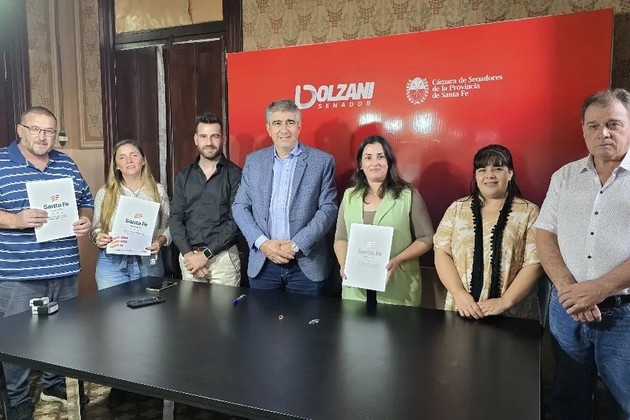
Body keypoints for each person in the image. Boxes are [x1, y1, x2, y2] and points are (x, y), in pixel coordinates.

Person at [535, 88, 630, 419]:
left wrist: (599, 288)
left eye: (613, 124)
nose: (603, 133)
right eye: (593, 125)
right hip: (566, 310)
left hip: (623, 315)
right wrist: (568, 289)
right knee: (567, 399)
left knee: (624, 404)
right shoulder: (564, 176)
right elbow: (545, 233)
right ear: (583, 130)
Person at [0, 106, 93, 420]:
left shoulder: (65, 162)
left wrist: (85, 219)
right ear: (20, 130)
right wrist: (14, 220)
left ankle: (54, 386)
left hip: (64, 269)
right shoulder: (1, 163)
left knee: (63, 334)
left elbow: (86, 200)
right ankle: (17, 401)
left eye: (50, 131)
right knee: (16, 341)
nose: (43, 136)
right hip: (19, 274)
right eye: (36, 129)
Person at [232, 99, 337, 296]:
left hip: (306, 265)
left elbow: (328, 209)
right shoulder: (254, 161)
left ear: (299, 126)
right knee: (262, 317)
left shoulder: (322, 162)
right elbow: (239, 206)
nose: (284, 129)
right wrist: (263, 243)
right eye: (277, 123)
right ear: (268, 128)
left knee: (308, 317)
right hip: (263, 264)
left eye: (290, 122)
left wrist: (295, 245)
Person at [434, 144, 542, 319]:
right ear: (476, 176)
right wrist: (459, 294)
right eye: (482, 170)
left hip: (513, 314)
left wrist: (504, 302)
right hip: (462, 309)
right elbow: (441, 252)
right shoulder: (457, 209)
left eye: (497, 169)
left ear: (510, 173)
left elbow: (535, 263)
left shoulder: (529, 212)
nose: (489, 175)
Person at [333, 135, 433, 306]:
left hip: (398, 286)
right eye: (368, 157)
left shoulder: (408, 194)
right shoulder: (349, 196)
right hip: (355, 289)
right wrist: (344, 264)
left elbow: (427, 238)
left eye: (380, 156)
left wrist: (398, 259)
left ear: (389, 161)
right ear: (360, 164)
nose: (375, 163)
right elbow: (340, 238)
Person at [169, 112, 242, 285]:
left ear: (223, 139)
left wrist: (205, 255)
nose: (209, 142)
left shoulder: (236, 175)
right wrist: (189, 254)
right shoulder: (183, 176)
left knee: (226, 305)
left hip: (223, 259)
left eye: (214, 136)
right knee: (191, 305)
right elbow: (175, 218)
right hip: (190, 259)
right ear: (196, 139)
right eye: (203, 136)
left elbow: (236, 221)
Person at [90, 139, 171, 289]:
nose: (129, 160)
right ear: (116, 165)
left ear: (143, 160)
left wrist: (159, 242)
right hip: (112, 265)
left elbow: (168, 226)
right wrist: (98, 237)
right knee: (113, 305)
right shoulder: (105, 192)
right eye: (122, 157)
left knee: (149, 304)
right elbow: (95, 228)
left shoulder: (158, 190)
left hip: (148, 262)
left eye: (134, 155)